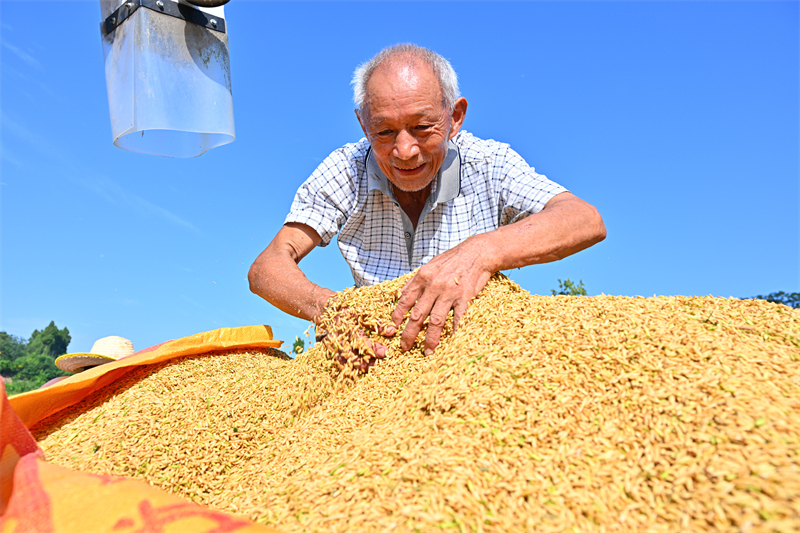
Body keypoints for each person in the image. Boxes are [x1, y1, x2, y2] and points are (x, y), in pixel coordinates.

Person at [249, 44, 606, 364]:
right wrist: (330, 310)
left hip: (469, 355)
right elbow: (267, 266)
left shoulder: (489, 163)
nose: (404, 151)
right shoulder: (347, 169)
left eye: (422, 127)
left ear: (454, 117)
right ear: (363, 124)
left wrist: (482, 252)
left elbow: (584, 219)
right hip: (378, 357)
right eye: (385, 132)